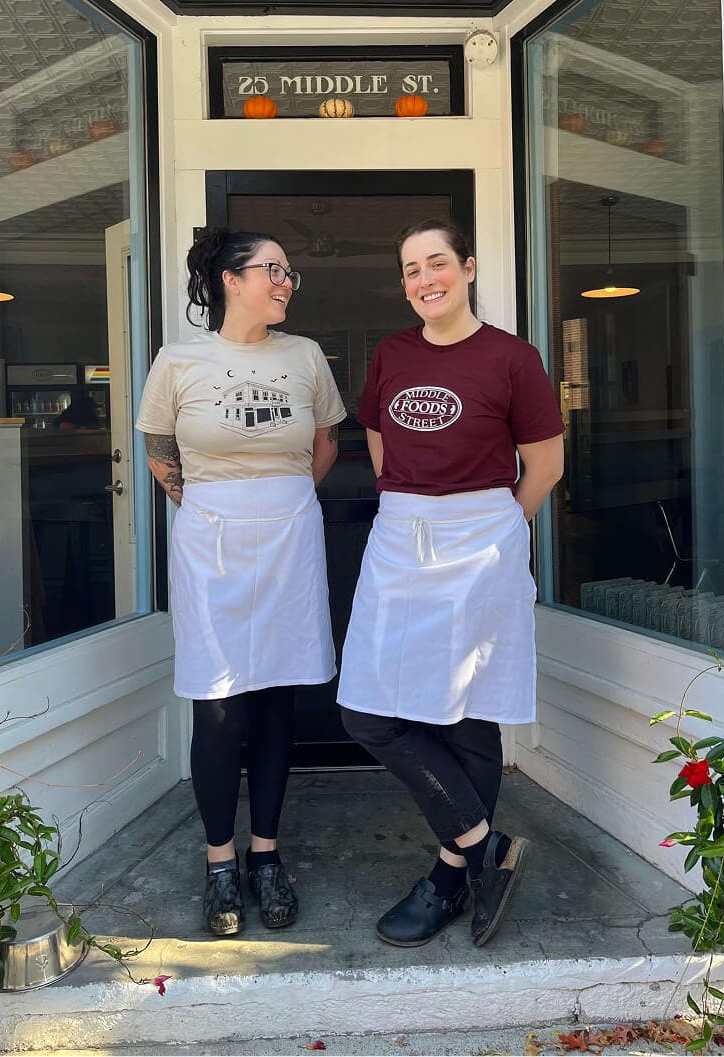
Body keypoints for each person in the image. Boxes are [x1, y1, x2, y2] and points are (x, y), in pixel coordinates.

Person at [338, 219, 564, 949]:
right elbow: (379, 439)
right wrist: (414, 505)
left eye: (437, 263)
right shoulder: (392, 355)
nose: (425, 278)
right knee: (368, 711)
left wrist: (496, 530)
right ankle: (484, 845)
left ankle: (446, 876)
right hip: (401, 542)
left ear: (466, 268)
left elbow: (546, 465)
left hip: (482, 544)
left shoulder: (512, 357)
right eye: (410, 269)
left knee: (468, 712)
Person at [136, 227, 345, 938]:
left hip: (288, 535)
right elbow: (158, 442)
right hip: (211, 541)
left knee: (278, 694)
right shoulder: (179, 359)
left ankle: (265, 854)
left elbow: (326, 444)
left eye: (291, 272)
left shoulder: (306, 356)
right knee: (219, 703)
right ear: (231, 278)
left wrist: (281, 499)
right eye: (272, 270)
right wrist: (201, 504)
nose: (285, 282)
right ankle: (219, 859)